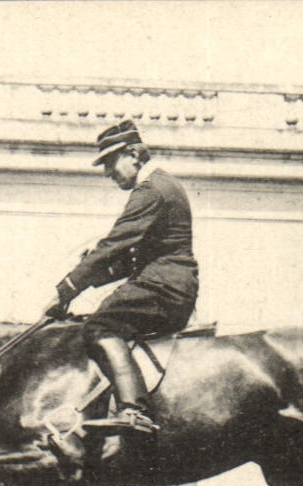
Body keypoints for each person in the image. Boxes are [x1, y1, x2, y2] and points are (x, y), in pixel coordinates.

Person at [44, 118, 199, 457]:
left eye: (110, 163)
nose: (107, 173)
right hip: (167, 284)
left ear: (134, 154)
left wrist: (65, 290)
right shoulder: (162, 186)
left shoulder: (152, 190)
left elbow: (114, 244)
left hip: (163, 288)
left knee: (100, 326)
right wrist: (88, 280)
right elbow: (129, 259)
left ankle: (133, 411)